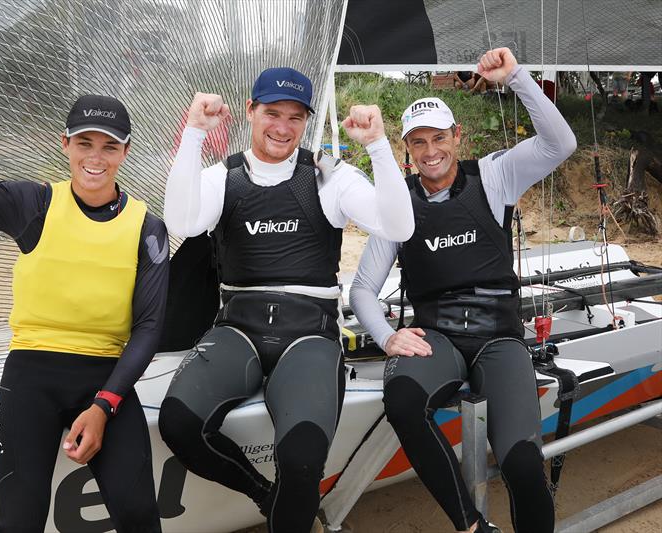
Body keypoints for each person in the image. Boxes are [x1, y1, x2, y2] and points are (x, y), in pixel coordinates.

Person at [0, 50, 167, 532]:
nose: (95, 157)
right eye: (84, 143)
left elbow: (150, 327)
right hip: (30, 375)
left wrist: (103, 405)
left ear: (125, 152)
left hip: (107, 380)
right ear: (64, 144)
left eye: (109, 147)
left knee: (139, 517)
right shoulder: (32, 204)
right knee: (21, 522)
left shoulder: (147, 227)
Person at [158, 67, 414, 532]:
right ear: (251, 113)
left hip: (309, 335)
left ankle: (289, 503)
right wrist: (194, 134)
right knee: (178, 424)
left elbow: (398, 228)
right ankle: (264, 495)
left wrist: (378, 145)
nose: (282, 126)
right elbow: (182, 221)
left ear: (306, 123)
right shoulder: (225, 178)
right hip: (238, 329)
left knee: (301, 460)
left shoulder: (329, 179)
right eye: (272, 112)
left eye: (295, 117)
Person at [350, 47, 576, 533]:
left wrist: (516, 77)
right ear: (406, 149)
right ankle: (470, 524)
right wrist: (388, 336)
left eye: (439, 138)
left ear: (458, 136)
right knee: (404, 403)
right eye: (418, 143)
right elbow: (364, 289)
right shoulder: (399, 203)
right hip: (439, 337)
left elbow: (560, 144)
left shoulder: (494, 174)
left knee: (520, 464)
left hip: (499, 335)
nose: (431, 152)